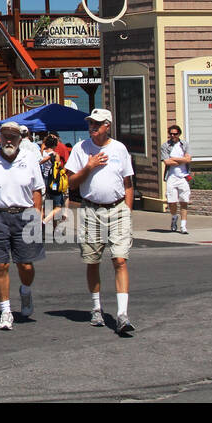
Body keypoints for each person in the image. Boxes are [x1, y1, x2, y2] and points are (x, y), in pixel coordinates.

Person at [65, 107, 136, 334]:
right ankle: (96, 307)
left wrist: (128, 210)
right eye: (90, 123)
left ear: (108, 125)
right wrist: (89, 166)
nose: (92, 127)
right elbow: (71, 183)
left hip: (118, 210)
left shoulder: (120, 149)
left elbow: (128, 183)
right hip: (91, 211)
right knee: (92, 260)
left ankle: (122, 314)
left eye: (97, 123)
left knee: (120, 260)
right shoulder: (80, 149)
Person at [0, 122, 45, 330]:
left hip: (24, 216)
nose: (8, 141)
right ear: (0, 137)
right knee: (1, 264)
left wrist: (37, 215)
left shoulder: (30, 158)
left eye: (13, 137)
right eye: (5, 137)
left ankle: (25, 290)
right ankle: (5, 311)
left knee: (26, 264)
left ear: (19, 139)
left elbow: (38, 190)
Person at [163, 124, 193, 234]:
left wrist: (174, 159)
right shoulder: (165, 146)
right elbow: (167, 161)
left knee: (184, 201)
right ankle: (174, 217)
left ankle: (183, 225)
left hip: (183, 176)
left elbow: (188, 160)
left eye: (175, 134)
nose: (172, 135)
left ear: (179, 134)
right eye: (171, 134)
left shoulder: (184, 145)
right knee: (172, 202)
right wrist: (182, 159)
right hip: (171, 176)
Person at [40, 133, 68, 224]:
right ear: (55, 145)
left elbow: (40, 162)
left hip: (44, 179)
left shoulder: (43, 152)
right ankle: (45, 221)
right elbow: (58, 168)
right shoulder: (55, 155)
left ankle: (40, 222)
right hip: (54, 181)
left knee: (44, 205)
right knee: (58, 206)